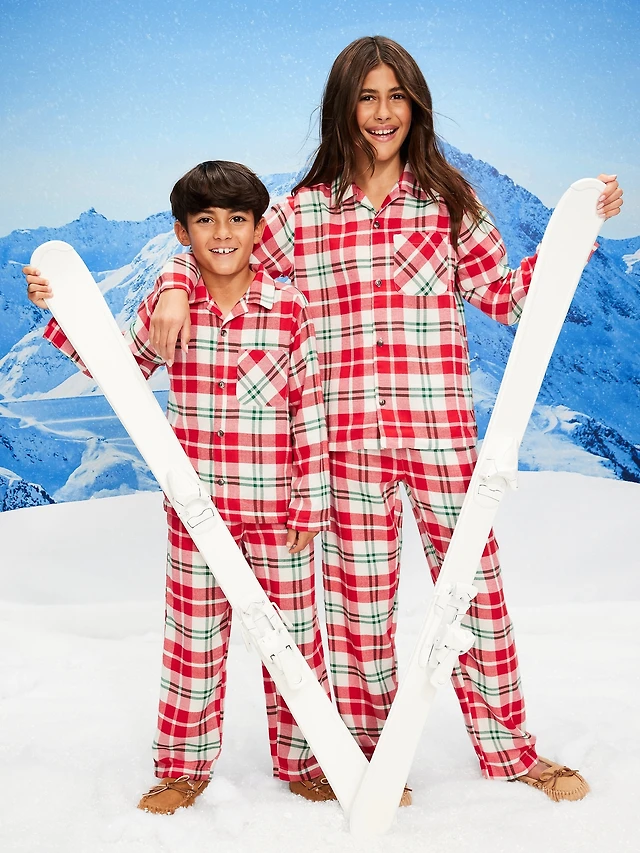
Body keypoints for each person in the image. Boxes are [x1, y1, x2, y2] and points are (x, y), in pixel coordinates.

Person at [133, 37, 624, 803]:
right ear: (343, 107)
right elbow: (221, 253)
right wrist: (171, 283)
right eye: (367, 96)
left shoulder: (448, 203)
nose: (383, 112)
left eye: (396, 95)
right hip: (347, 450)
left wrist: (575, 231)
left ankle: (511, 752)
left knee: (476, 596)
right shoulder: (303, 213)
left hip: (442, 440)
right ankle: (369, 758)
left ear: (416, 106)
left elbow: (509, 297)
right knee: (360, 615)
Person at [26, 160, 338, 813]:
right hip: (198, 513)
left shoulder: (290, 309)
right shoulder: (169, 306)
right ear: (182, 231)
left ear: (258, 228)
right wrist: (59, 312)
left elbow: (310, 410)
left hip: (278, 511)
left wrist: (311, 502)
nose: (222, 233)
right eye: (205, 220)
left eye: (237, 219)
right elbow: (117, 371)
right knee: (193, 640)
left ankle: (308, 761)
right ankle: (183, 768)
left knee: (293, 639)